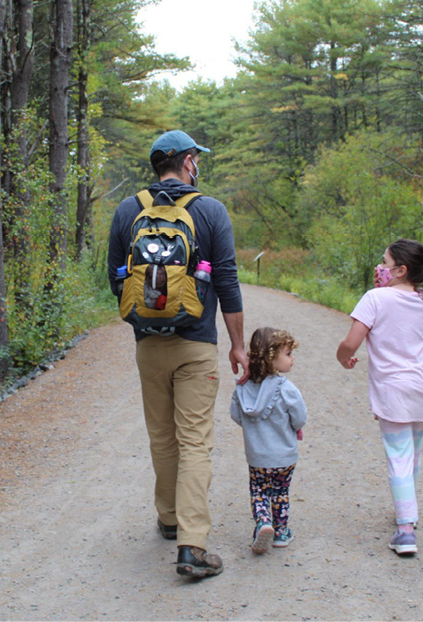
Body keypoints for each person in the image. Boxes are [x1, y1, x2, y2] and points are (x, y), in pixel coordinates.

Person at [108, 129, 249, 578]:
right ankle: (193, 545)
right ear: (188, 161)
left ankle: (168, 519)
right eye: (196, 158)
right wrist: (238, 344)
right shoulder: (210, 210)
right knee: (195, 441)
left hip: (148, 345)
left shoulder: (128, 209)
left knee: (161, 436)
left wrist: (146, 316)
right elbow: (226, 281)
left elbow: (116, 279)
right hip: (196, 344)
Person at [336, 239, 423, 555]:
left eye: (384, 263)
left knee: (398, 455)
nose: (379, 267)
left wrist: (342, 356)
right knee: (412, 453)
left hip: (394, 389)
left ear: (400, 269)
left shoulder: (375, 299)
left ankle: (405, 530)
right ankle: (407, 508)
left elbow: (351, 342)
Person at [230, 327, 307, 554]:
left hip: (257, 455)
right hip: (284, 454)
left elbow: (236, 414)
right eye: (288, 354)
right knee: (280, 491)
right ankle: (281, 532)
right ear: (272, 358)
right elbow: (300, 417)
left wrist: (253, 428)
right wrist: (294, 428)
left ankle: (263, 522)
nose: (292, 359)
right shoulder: (287, 389)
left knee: (260, 490)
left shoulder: (242, 387)